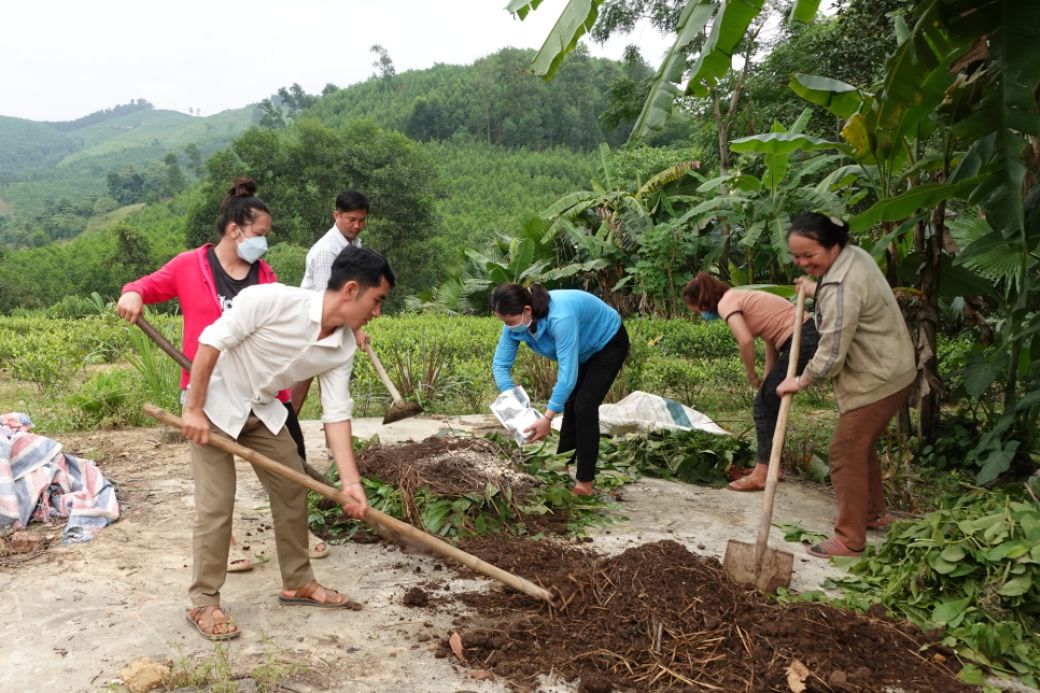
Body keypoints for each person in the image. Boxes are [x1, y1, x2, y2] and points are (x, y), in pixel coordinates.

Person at [180, 245, 394, 640]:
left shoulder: (343, 346)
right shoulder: (271, 299)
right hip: (214, 404)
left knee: (293, 487)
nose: (376, 313)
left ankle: (298, 582)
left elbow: (336, 415)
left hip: (261, 412)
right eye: (376, 300)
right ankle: (204, 600)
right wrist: (193, 409)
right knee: (216, 504)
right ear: (351, 290)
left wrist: (351, 485)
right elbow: (211, 342)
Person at [116, 177, 330, 569]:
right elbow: (145, 287)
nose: (263, 242)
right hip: (209, 396)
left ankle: (297, 554)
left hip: (256, 396)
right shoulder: (189, 266)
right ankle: (225, 543)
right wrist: (132, 293)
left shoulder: (264, 274)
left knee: (290, 471)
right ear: (236, 231)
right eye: (259, 234)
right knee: (216, 493)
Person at [776, 213, 916, 559]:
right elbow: (835, 288)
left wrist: (801, 380)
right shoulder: (854, 258)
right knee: (859, 445)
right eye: (797, 257)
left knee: (845, 449)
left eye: (810, 256)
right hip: (892, 366)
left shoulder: (841, 286)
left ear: (833, 245)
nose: (803, 263)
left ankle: (850, 539)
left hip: (878, 377)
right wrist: (814, 286)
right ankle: (872, 514)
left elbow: (832, 352)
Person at [682, 273, 820, 491]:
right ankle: (770, 467)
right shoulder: (742, 298)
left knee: (763, 406)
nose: (701, 315)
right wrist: (766, 379)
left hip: (801, 339)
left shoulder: (727, 302)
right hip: (800, 337)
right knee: (767, 400)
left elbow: (745, 341)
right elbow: (771, 340)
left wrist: (751, 374)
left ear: (703, 300)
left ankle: (762, 473)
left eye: (698, 310)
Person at [491, 284, 629, 495]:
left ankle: (585, 482)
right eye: (503, 322)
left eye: (509, 321)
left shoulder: (560, 318)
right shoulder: (514, 326)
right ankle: (561, 463)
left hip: (607, 342)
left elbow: (567, 377)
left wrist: (547, 418)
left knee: (584, 406)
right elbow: (500, 365)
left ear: (527, 311)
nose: (507, 327)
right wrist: (514, 403)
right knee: (571, 403)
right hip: (581, 349)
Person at [300, 191, 369, 291]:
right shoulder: (327, 251)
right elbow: (327, 297)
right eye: (351, 220)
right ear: (336, 216)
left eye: (361, 220)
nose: (357, 226)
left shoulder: (355, 243)